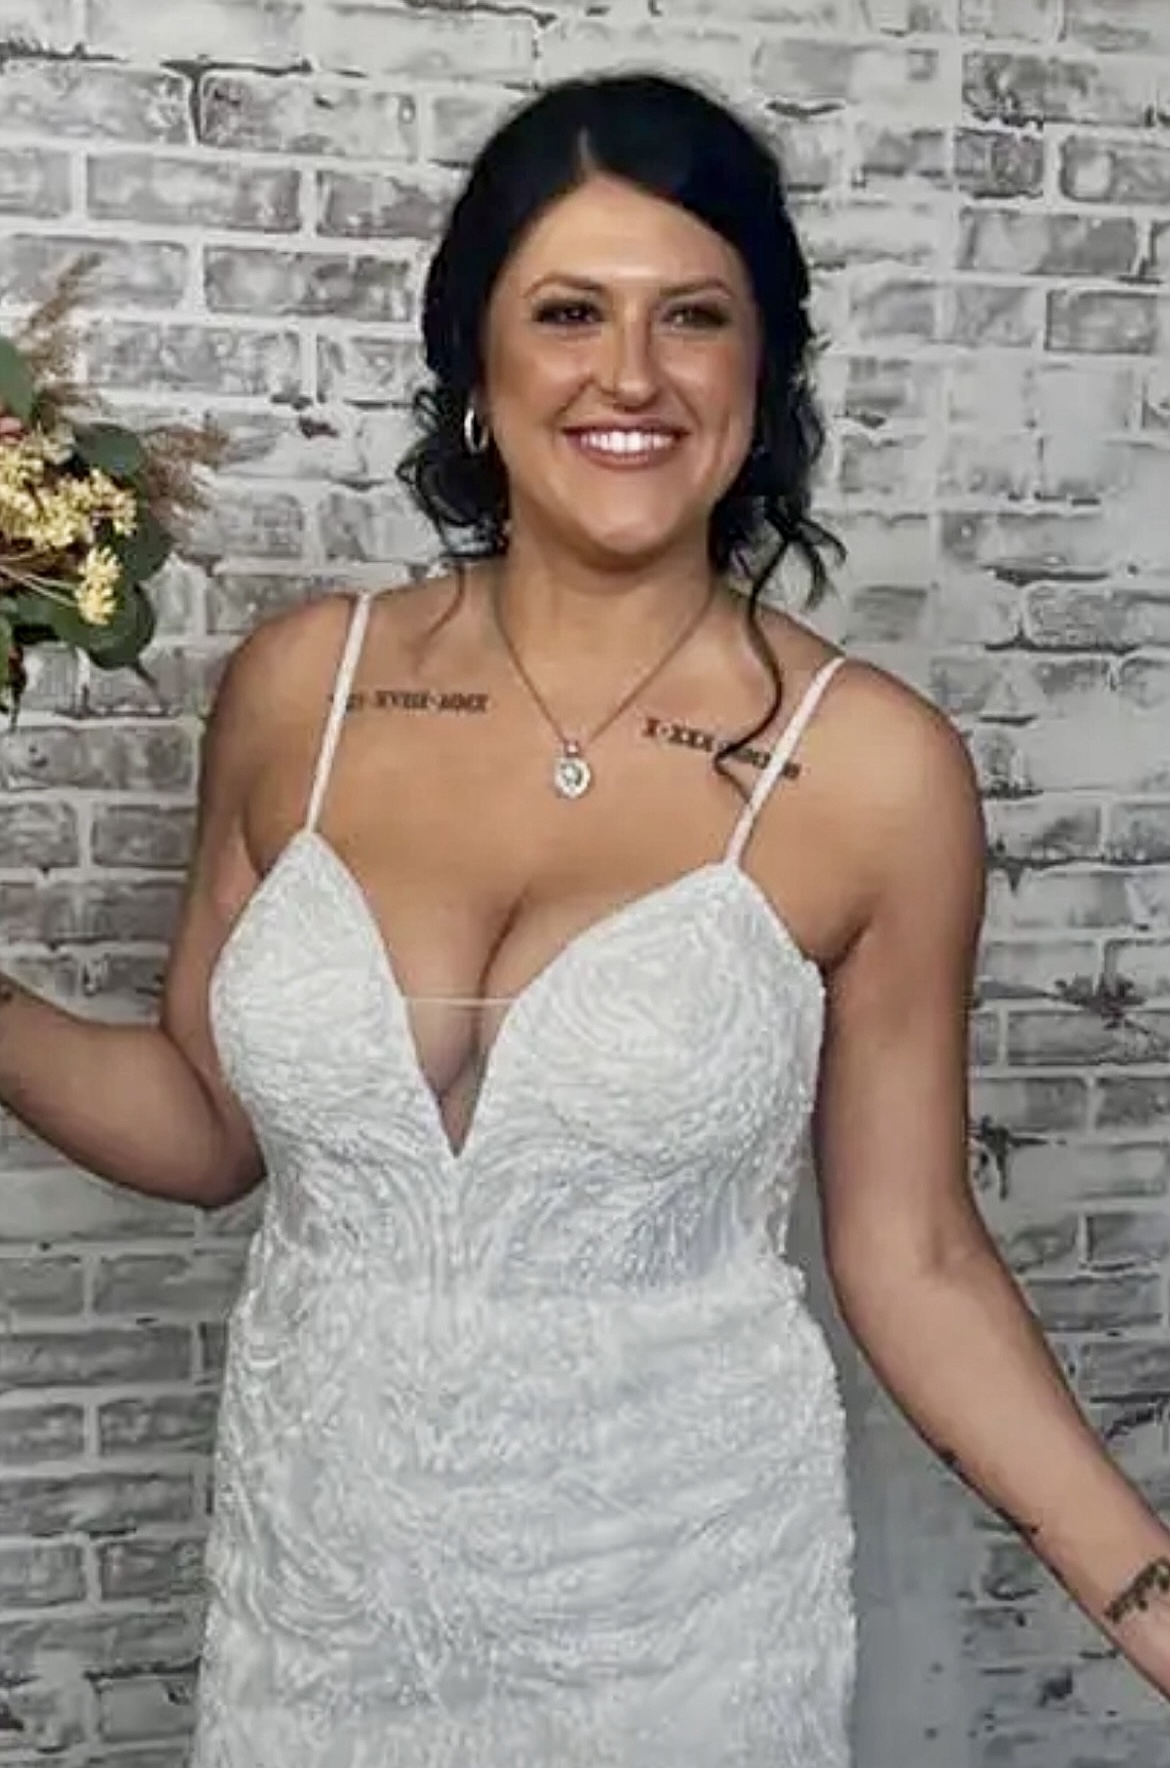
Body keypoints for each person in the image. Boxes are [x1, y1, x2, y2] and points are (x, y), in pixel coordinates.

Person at [2, 69, 1169, 1768]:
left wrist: (1151, 1607)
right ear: (475, 359)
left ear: (760, 372)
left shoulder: (870, 771)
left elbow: (913, 1259)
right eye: (567, 312)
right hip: (318, 1621)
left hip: (675, 1628)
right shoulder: (297, 692)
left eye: (692, 316)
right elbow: (204, 1126)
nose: (630, 373)